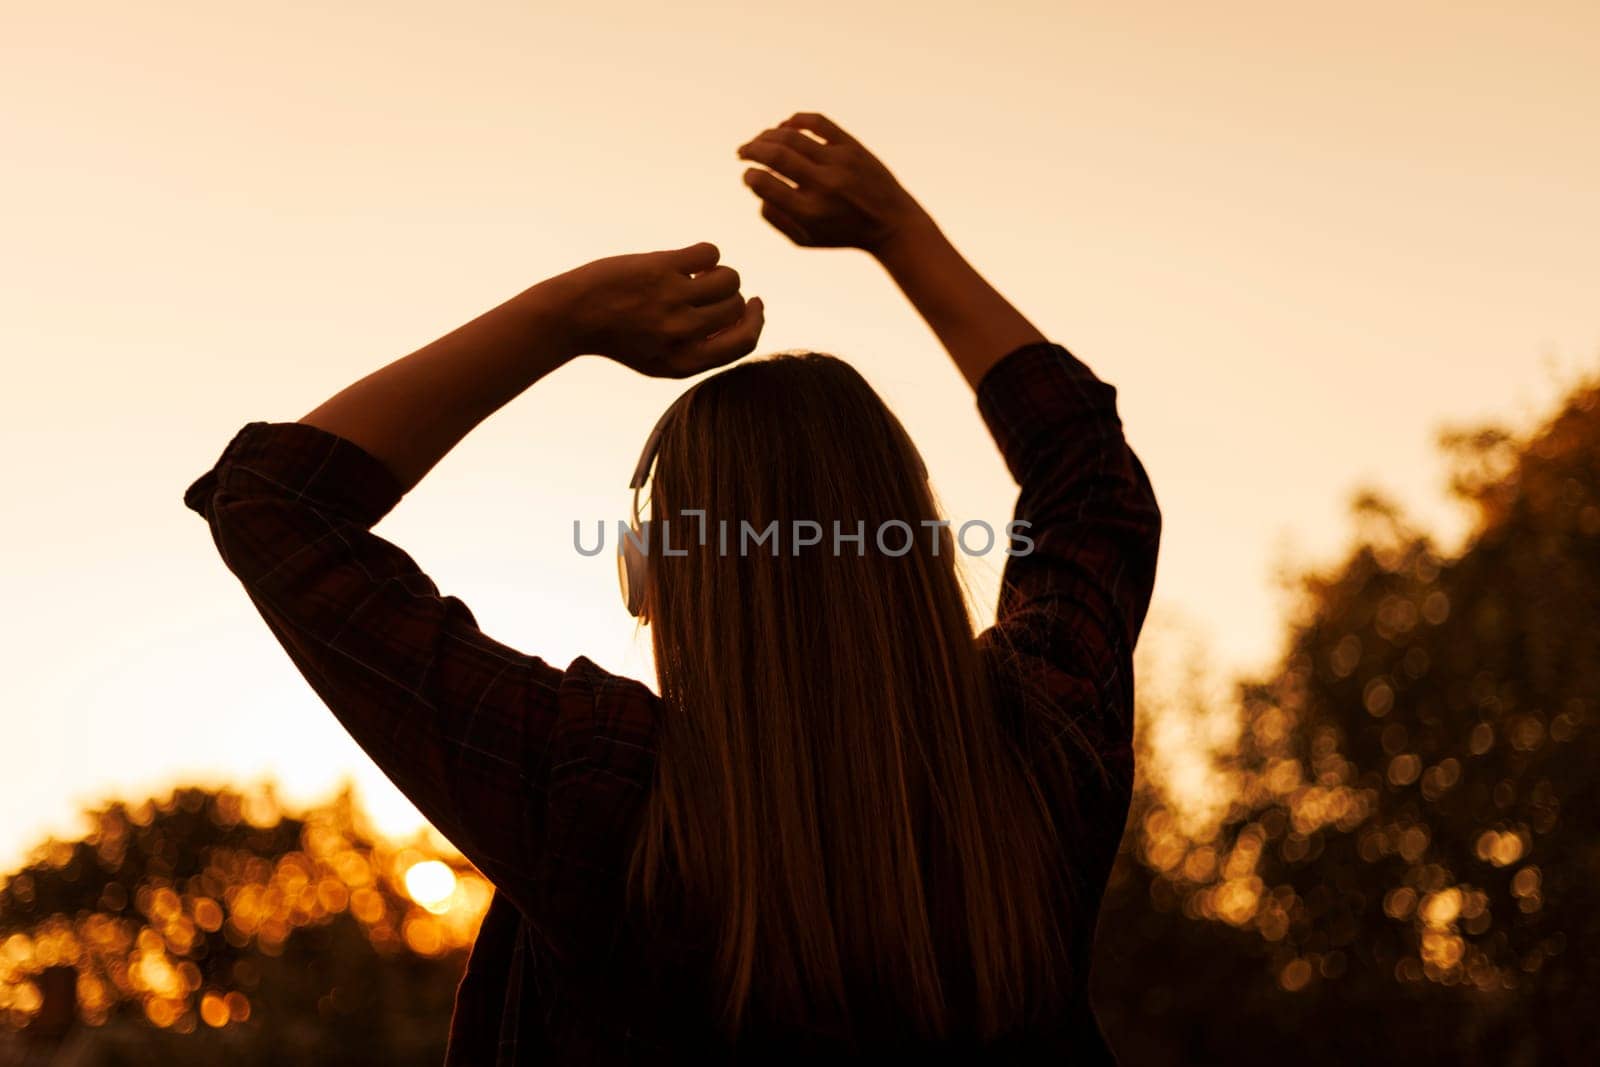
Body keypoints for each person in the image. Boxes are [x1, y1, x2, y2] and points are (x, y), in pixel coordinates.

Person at [183, 111, 1162, 1064]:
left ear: (653, 577)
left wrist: (560, 316)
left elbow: (273, 504)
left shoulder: (595, 792)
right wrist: (898, 231)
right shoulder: (1040, 744)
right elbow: (1088, 478)